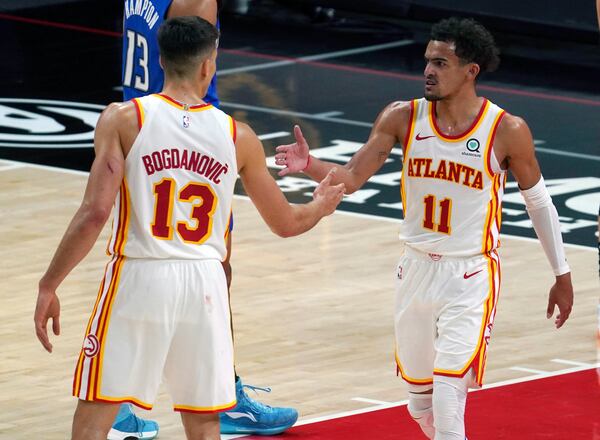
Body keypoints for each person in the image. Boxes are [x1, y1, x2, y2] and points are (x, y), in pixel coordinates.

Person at [34, 16, 344, 440]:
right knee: (203, 425)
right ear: (208, 66)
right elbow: (286, 224)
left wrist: (49, 284)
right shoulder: (239, 137)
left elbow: (94, 213)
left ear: (161, 60)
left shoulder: (124, 119)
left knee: (94, 418)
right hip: (206, 285)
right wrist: (321, 206)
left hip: (140, 275)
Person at [276, 17, 574, 440]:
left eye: (440, 63)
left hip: (470, 274)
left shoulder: (506, 130)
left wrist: (561, 274)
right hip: (414, 270)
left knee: (449, 395)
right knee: (420, 403)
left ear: (471, 71)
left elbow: (539, 202)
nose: (428, 71)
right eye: (427, 62)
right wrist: (309, 166)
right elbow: (352, 177)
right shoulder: (402, 116)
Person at [121, 1, 299, 438]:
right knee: (212, 274)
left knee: (136, 264)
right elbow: (194, 61)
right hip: (191, 132)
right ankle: (223, 398)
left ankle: (120, 402)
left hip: (140, 122)